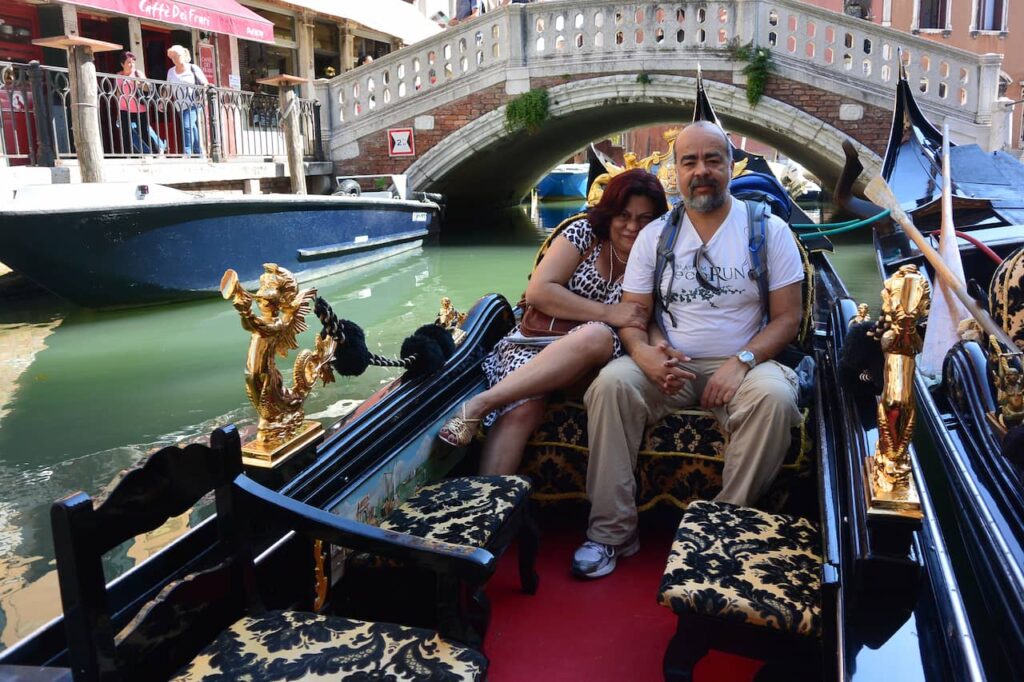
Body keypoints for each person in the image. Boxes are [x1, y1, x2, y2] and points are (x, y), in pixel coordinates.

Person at [571, 121, 805, 579]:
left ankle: (721, 528)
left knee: (775, 399)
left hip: (744, 362)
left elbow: (787, 319)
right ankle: (611, 533)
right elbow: (635, 315)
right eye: (690, 162)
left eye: (712, 160)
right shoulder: (655, 235)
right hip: (669, 363)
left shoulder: (769, 231)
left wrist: (742, 362)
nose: (702, 171)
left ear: (731, 167)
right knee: (611, 385)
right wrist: (643, 354)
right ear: (675, 172)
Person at [437, 169, 669, 476]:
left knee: (597, 336)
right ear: (610, 213)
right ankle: (489, 504)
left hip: (598, 359)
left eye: (644, 219)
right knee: (523, 408)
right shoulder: (584, 233)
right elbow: (539, 292)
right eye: (624, 216)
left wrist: (657, 345)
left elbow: (648, 315)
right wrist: (608, 313)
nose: (632, 227)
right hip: (535, 343)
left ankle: (483, 403)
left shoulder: (657, 255)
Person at [116, 52, 165, 155]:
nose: (131, 64)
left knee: (144, 133)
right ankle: (129, 155)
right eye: (129, 62)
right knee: (126, 133)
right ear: (122, 64)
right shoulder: (118, 76)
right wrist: (118, 111)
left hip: (139, 109)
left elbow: (148, 88)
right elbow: (118, 93)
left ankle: (156, 151)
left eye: (133, 62)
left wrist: (140, 83)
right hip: (124, 108)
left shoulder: (138, 73)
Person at [166, 45, 208, 157]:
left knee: (186, 126)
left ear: (184, 55)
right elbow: (168, 88)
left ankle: (187, 153)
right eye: (172, 57)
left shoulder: (193, 68)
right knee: (191, 127)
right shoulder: (171, 71)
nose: (174, 59)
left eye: (177, 56)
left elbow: (204, 83)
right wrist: (162, 101)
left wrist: (201, 96)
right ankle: (199, 153)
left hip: (193, 103)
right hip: (179, 105)